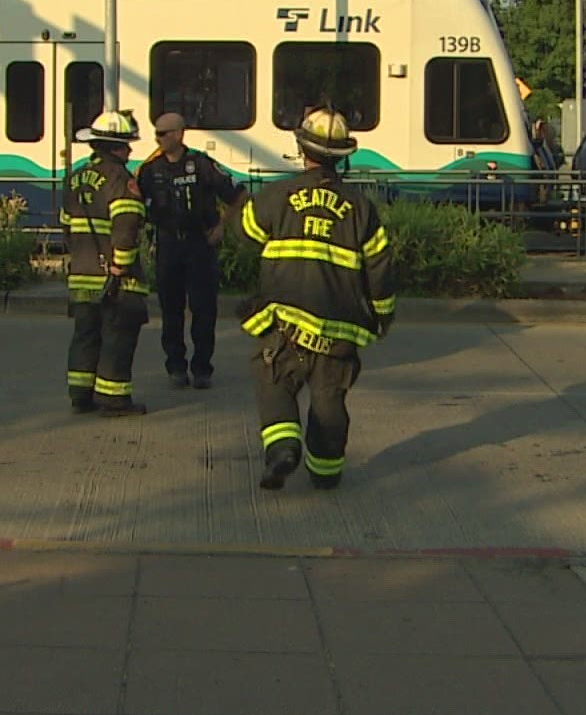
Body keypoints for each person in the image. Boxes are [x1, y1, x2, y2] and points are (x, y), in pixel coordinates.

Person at [238, 106, 398, 490]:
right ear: (343, 156)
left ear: (301, 148)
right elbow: (380, 268)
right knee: (329, 399)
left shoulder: (277, 195)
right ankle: (326, 473)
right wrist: (382, 315)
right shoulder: (362, 208)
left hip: (285, 320)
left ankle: (282, 449)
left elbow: (246, 236)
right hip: (339, 326)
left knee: (274, 379)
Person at [138, 111, 246, 390]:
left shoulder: (200, 164)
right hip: (168, 244)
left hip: (200, 244)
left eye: (163, 133)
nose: (157, 138)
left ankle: (202, 368)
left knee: (203, 309)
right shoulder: (151, 170)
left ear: (178, 134)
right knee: (170, 310)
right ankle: (175, 365)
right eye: (156, 133)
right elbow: (136, 203)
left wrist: (222, 225)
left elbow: (238, 195)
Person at [62, 109, 151, 416]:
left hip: (82, 273)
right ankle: (113, 399)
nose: (129, 151)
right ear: (114, 147)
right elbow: (126, 224)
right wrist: (120, 266)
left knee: (86, 333)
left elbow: (66, 225)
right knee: (118, 334)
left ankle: (80, 394)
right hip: (114, 276)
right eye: (126, 145)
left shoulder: (74, 178)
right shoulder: (119, 179)